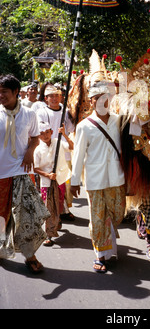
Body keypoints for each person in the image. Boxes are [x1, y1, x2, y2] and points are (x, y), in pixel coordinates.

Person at [71, 81, 126, 273]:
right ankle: (100, 255)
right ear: (91, 102)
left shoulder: (119, 121)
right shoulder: (84, 126)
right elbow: (78, 155)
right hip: (95, 179)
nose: (102, 101)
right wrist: (74, 181)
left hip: (117, 177)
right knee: (97, 218)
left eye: (105, 98)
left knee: (117, 213)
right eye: (97, 99)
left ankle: (108, 239)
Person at [0, 74, 49, 273]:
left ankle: (30, 256)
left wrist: (30, 150)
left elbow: (36, 137)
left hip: (21, 172)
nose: (0, 95)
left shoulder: (29, 114)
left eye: (4, 92)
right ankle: (2, 247)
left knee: (26, 218)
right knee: (1, 217)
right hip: (1, 175)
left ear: (15, 93)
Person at [36, 84, 75, 220]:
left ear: (61, 97)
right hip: (45, 151)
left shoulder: (65, 111)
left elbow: (71, 127)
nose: (54, 98)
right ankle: (50, 215)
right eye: (51, 96)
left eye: (57, 95)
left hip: (62, 148)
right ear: (46, 98)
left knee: (63, 182)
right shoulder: (41, 112)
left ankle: (62, 210)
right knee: (47, 184)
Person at [34, 121, 74, 246]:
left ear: (51, 132)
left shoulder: (58, 142)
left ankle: (57, 221)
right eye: (42, 134)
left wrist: (65, 134)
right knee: (48, 207)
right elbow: (35, 168)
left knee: (59, 204)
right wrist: (47, 175)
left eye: (47, 132)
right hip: (46, 183)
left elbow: (71, 147)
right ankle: (49, 235)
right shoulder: (38, 150)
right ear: (38, 136)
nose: (45, 135)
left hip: (60, 179)